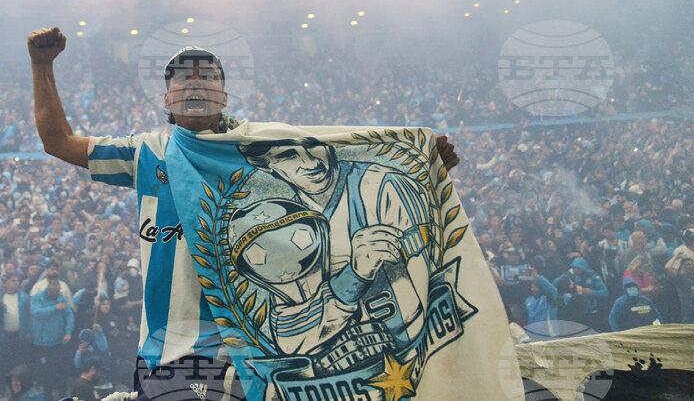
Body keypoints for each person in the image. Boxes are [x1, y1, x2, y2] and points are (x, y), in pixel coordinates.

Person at [26, 27, 459, 391]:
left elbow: (345, 155)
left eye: (208, 77)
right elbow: (58, 142)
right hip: (169, 352)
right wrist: (42, 66)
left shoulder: (261, 148)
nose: (194, 83)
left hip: (260, 355)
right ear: (165, 101)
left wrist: (420, 162)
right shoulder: (146, 151)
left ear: (225, 95)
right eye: (181, 79)